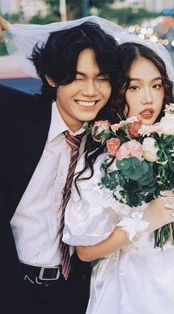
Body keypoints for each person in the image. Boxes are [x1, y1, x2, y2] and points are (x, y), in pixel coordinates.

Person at [62, 33, 174, 313]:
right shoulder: (102, 157)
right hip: (135, 282)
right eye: (134, 87)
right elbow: (85, 251)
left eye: (156, 86)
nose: (148, 98)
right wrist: (146, 220)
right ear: (118, 91)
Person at [0, 16, 121, 314]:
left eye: (101, 78)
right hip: (12, 286)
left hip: (74, 292)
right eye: (77, 77)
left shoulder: (110, 138)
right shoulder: (14, 116)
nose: (91, 91)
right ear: (52, 78)